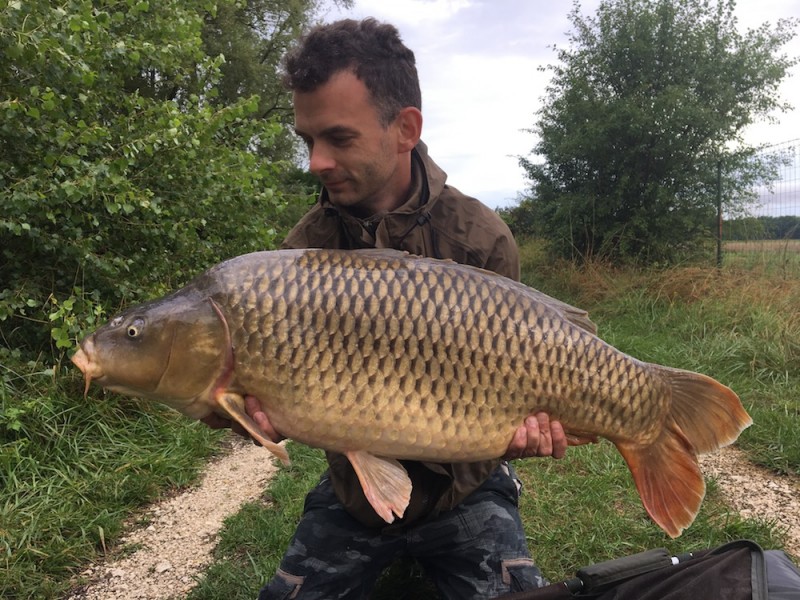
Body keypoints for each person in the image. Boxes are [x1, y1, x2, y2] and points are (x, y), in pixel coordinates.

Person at [205, 17, 568, 599]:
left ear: (405, 128)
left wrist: (522, 432)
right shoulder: (300, 253)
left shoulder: (480, 239)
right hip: (355, 493)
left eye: (338, 139)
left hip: (465, 490)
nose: (316, 163)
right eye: (308, 141)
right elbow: (264, 395)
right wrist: (241, 408)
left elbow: (519, 384)